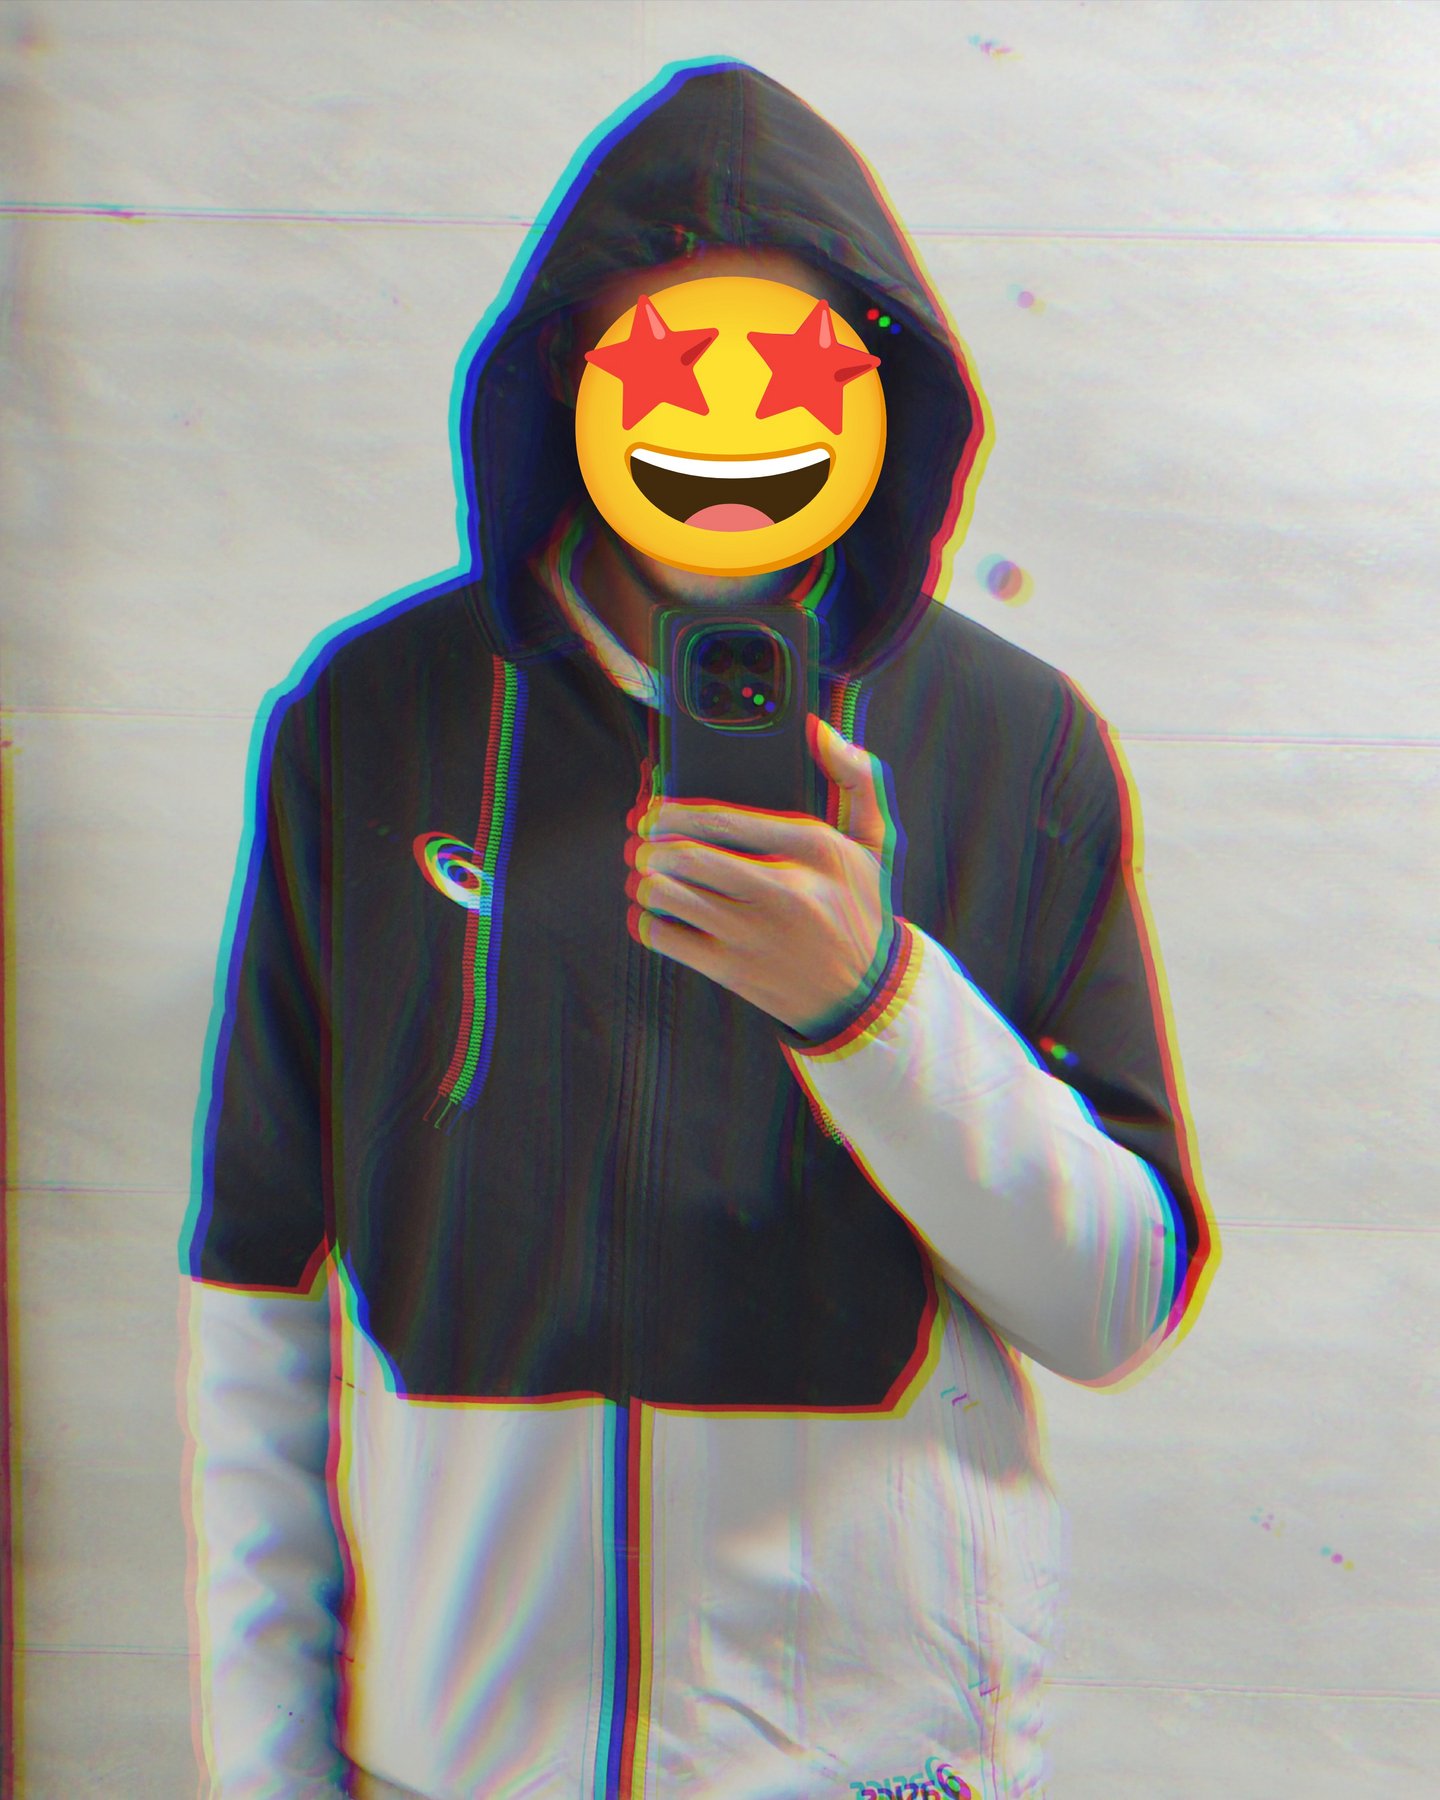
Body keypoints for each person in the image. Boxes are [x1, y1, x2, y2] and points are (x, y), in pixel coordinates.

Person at [180, 59, 1213, 1800]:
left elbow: (1114, 1302)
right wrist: (270, 1766)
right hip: (456, 1762)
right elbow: (258, 1283)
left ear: (876, 387)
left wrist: (870, 1006)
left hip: (871, 1764)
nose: (729, 417)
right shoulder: (373, 721)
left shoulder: (1010, 744)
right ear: (569, 372)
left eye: (790, 359)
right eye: (666, 353)